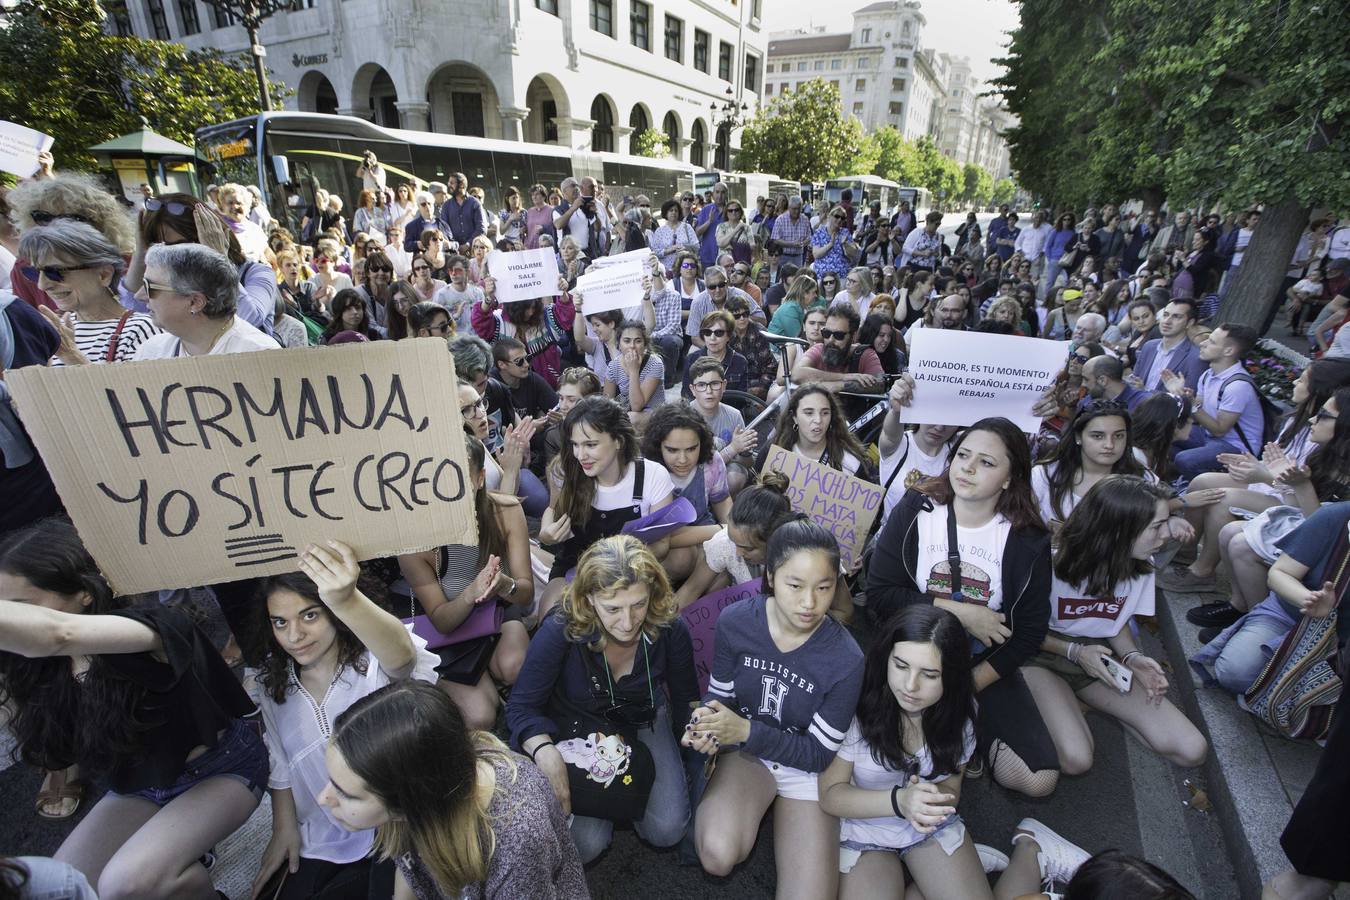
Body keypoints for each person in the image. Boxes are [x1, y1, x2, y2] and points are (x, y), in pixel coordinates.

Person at [0, 519, 265, 899]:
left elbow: (57, 633)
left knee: (125, 883)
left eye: (20, 608)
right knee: (59, 889)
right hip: (138, 788)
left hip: (220, 771)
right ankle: (173, 856)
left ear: (83, 593)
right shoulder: (33, 667)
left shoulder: (150, 630)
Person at [868, 414, 1060, 798]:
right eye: (963, 456)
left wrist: (964, 688)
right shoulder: (918, 508)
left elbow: (1028, 633)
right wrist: (962, 611)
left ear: (1010, 477)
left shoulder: (1027, 540)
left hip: (977, 667)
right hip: (908, 657)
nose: (967, 469)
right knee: (884, 761)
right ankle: (955, 734)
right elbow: (880, 595)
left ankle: (969, 728)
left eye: (986, 462)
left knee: (1038, 780)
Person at [684, 519, 864, 898]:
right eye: (795, 585)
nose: (809, 603)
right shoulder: (736, 621)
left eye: (824, 587)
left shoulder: (847, 657)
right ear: (770, 576)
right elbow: (720, 697)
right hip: (750, 754)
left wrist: (744, 731)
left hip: (808, 768)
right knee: (716, 854)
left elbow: (816, 755)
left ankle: (844, 838)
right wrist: (705, 721)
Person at [249, 542, 438, 900]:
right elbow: (282, 764)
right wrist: (283, 827)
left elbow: (402, 658)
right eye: (280, 622)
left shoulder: (372, 662)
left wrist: (345, 597)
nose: (294, 636)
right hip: (322, 831)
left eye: (309, 615)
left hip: (396, 825)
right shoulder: (271, 685)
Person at [507, 535, 698, 864]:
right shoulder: (561, 628)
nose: (627, 622)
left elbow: (686, 701)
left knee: (667, 828)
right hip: (578, 720)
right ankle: (614, 802)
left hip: (643, 716)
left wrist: (698, 732)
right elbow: (521, 706)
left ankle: (625, 797)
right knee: (586, 842)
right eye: (613, 608)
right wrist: (544, 750)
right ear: (589, 598)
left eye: (638, 604)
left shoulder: (670, 629)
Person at [319, 680, 588, 898]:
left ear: (409, 801)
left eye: (347, 794)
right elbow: (410, 864)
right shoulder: (420, 773)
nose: (324, 798)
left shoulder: (517, 837)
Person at [1026, 476, 1208, 778]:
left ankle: (1084, 702)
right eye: (1157, 526)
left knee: (1191, 750)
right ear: (1121, 528)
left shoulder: (1140, 564)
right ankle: (1064, 702)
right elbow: (1017, 631)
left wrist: (1134, 659)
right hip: (1037, 654)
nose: (1166, 534)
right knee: (1076, 760)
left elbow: (1114, 623)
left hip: (1094, 656)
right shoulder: (1046, 560)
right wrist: (1074, 652)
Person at [819, 605, 994, 899]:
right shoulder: (854, 706)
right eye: (900, 666)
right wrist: (902, 801)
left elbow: (952, 784)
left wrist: (931, 802)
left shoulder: (961, 713)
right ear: (886, 657)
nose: (910, 686)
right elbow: (830, 795)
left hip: (927, 826)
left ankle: (1031, 847)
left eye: (929, 674)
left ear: (951, 677)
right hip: (863, 830)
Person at [1177, 359, 1350, 619]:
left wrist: (1267, 475)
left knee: (1225, 505)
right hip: (1291, 500)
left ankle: (1220, 585)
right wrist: (1256, 467)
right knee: (1203, 483)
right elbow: (1291, 480)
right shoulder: (1304, 425)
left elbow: (1311, 513)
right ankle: (1200, 566)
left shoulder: (1328, 451)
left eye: (1302, 380)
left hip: (1293, 506)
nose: (1294, 382)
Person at [398, 434, 534, 731]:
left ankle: (504, 691)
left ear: (480, 478)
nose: (447, 491)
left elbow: (525, 594)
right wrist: (470, 594)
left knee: (515, 665)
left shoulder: (505, 512)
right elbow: (442, 621)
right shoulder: (413, 542)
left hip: (496, 612)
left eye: (458, 479)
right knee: (479, 716)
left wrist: (503, 585)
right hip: (449, 631)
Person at [537, 396, 678, 617]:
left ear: (619, 441)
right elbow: (552, 509)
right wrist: (546, 535)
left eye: (591, 445)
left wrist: (610, 571)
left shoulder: (652, 475)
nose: (580, 455)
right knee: (551, 619)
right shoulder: (566, 471)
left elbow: (661, 545)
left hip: (631, 572)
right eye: (575, 445)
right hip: (573, 567)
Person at [17, 222, 158, 365]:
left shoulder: (140, 329)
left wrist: (69, 354)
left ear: (104, 275)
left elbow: (137, 387)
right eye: (34, 273)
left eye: (55, 272)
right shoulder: (53, 331)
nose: (42, 285)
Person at [132, 243, 279, 358]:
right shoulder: (150, 353)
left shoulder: (260, 355)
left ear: (195, 302)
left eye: (148, 286)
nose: (139, 296)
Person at [1164, 323, 1265, 480]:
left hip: (1235, 447)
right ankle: (1184, 477)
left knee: (1185, 460)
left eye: (1211, 341)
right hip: (1208, 435)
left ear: (1229, 351)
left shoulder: (1237, 386)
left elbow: (1219, 429)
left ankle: (1212, 486)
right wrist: (1182, 394)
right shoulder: (1208, 375)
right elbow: (1201, 409)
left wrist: (1191, 403)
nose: (1202, 343)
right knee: (1161, 436)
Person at [878, 378, 957, 527]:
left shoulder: (960, 454)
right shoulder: (900, 446)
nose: (939, 427)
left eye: (949, 420)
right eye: (934, 415)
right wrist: (896, 411)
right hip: (892, 542)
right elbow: (890, 435)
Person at [758, 383, 875, 483]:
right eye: (809, 413)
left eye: (825, 413)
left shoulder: (851, 462)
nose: (818, 420)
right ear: (794, 417)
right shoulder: (774, 449)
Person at [790, 304, 886, 397]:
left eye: (839, 335)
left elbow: (881, 384)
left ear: (854, 335)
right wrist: (844, 377)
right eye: (826, 333)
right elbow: (796, 374)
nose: (831, 340)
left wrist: (839, 386)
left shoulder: (865, 355)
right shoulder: (819, 349)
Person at [1131, 299, 1206, 392]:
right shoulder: (1149, 346)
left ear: (1190, 323)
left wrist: (1144, 391)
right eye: (1165, 315)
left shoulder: (1195, 358)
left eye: (1176, 317)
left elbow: (1187, 399)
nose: (1167, 321)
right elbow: (1134, 380)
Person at [603, 319, 666, 426]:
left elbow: (637, 406)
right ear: (619, 344)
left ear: (645, 345)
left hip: (654, 413)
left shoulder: (655, 363)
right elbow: (607, 402)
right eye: (627, 341)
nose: (632, 346)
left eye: (638, 341)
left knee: (632, 419)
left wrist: (633, 371)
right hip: (626, 411)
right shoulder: (614, 366)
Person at [683, 309, 750, 397]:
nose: (712, 338)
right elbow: (686, 395)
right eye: (707, 332)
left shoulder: (740, 361)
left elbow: (741, 399)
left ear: (729, 336)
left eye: (719, 333)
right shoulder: (692, 359)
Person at [650, 199, 699, 274]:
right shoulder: (659, 231)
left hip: (686, 270)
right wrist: (669, 250)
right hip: (666, 271)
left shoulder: (687, 227)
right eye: (671, 210)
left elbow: (697, 247)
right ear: (665, 213)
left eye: (676, 210)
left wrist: (685, 247)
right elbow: (655, 252)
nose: (674, 212)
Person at [436, 172, 484, 248]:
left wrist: (468, 244)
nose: (449, 185)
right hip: (454, 252)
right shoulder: (446, 206)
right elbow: (444, 230)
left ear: (461, 185)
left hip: (474, 249)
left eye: (452, 183)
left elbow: (481, 228)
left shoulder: (475, 203)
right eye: (448, 183)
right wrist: (455, 246)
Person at [811, 205, 858, 280]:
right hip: (822, 274)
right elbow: (816, 255)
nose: (839, 219)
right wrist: (830, 244)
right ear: (829, 216)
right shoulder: (819, 232)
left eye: (842, 218)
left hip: (841, 274)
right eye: (837, 216)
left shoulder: (845, 232)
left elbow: (854, 254)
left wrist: (845, 244)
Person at [770, 196, 812, 268]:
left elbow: (809, 237)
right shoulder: (780, 219)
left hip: (798, 257)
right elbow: (775, 239)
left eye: (799, 209)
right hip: (783, 256)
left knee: (797, 278)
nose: (797, 211)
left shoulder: (805, 220)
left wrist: (803, 243)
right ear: (789, 208)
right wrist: (791, 244)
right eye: (794, 209)